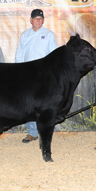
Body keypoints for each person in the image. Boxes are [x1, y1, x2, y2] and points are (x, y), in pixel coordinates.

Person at [15, 9, 58, 143]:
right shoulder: (25, 35)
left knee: (45, 104)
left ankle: (45, 130)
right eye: (36, 18)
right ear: (31, 20)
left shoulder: (49, 35)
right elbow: (20, 54)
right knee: (30, 103)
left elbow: (54, 56)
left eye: (40, 18)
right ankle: (32, 132)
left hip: (44, 75)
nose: (38, 20)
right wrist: (18, 71)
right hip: (27, 73)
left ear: (43, 20)